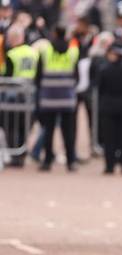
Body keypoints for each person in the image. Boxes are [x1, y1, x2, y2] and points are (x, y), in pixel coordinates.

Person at [36, 25, 79, 172]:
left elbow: (38, 74)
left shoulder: (46, 50)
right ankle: (71, 161)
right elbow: (76, 74)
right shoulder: (73, 51)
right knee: (68, 132)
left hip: (49, 96)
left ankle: (48, 160)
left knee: (48, 131)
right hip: (67, 96)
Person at [97, 41, 122, 175]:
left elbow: (100, 88)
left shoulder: (104, 70)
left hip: (108, 106)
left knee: (109, 138)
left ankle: (110, 165)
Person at [3, 24, 38, 167]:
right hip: (30, 92)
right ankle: (21, 154)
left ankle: (15, 155)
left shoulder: (12, 54)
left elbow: (7, 75)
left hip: (14, 94)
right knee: (25, 125)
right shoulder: (33, 52)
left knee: (11, 126)